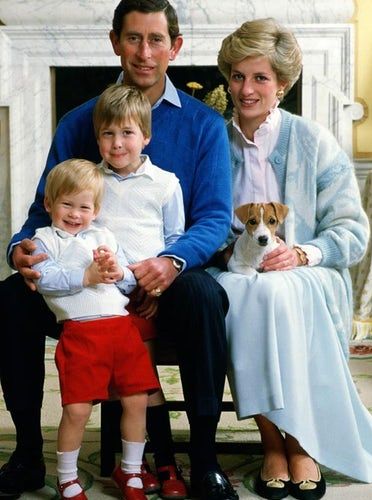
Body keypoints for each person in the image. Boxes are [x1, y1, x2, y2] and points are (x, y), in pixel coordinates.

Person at [0, 1, 237, 499]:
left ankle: (205, 457)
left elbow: (213, 219)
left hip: (168, 275)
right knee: (9, 299)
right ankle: (26, 455)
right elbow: (47, 207)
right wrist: (20, 249)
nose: (144, 53)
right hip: (87, 280)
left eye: (156, 40)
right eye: (133, 39)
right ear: (115, 42)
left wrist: (169, 264)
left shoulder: (202, 125)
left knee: (204, 298)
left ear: (175, 47)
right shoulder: (80, 122)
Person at [207, 18, 372, 500]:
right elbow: (199, 222)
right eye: (238, 76)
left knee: (276, 290)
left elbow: (352, 233)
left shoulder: (314, 141)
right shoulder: (213, 142)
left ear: (282, 84)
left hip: (308, 275)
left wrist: (302, 251)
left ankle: (299, 441)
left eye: (260, 77)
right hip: (238, 272)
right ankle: (271, 442)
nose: (246, 88)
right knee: (246, 290)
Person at [32, 158, 160, 500]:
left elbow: (128, 283)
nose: (75, 214)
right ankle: (67, 477)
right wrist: (86, 276)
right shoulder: (45, 239)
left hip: (121, 330)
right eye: (67, 205)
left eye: (84, 206)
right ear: (49, 204)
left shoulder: (104, 237)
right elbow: (44, 279)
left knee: (136, 401)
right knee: (77, 409)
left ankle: (131, 471)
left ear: (96, 209)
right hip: (81, 334)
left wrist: (118, 272)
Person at [94, 82, 188, 499]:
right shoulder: (90, 180)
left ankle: (163, 459)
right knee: (120, 383)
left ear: (145, 136)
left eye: (127, 133)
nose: (117, 143)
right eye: (108, 134)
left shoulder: (165, 183)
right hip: (101, 299)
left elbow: (176, 238)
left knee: (142, 382)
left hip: (145, 298)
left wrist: (158, 285)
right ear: (98, 137)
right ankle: (132, 464)